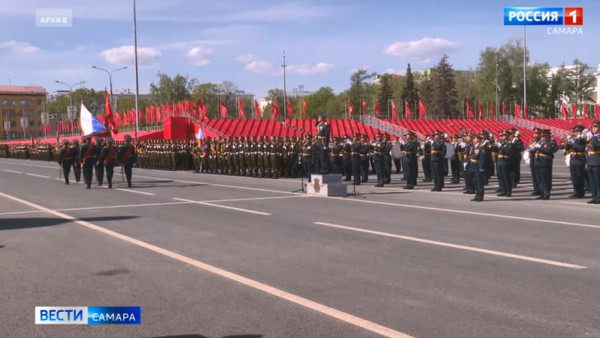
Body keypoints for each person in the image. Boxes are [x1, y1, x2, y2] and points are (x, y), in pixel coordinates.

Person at [533, 129, 558, 200]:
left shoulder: (551, 142)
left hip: (545, 163)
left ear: (548, 136)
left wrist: (540, 147)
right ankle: (542, 193)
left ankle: (546, 194)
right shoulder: (540, 142)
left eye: (543, 136)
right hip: (538, 162)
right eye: (541, 136)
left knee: (546, 179)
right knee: (539, 179)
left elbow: (549, 150)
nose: (542, 138)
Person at [565, 124, 587, 198]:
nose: (576, 132)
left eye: (578, 131)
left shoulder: (583, 139)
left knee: (579, 177)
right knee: (574, 177)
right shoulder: (573, 139)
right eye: (575, 131)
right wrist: (568, 142)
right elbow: (567, 148)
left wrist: (574, 142)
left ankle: (580, 192)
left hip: (580, 159)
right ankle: (576, 191)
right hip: (573, 159)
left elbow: (581, 148)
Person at [469, 133, 487, 202]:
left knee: (479, 182)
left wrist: (481, 167)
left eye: (475, 138)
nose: (473, 139)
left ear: (478, 140)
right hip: (473, 166)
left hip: (477, 166)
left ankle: (480, 196)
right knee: (475, 181)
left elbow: (482, 158)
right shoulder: (474, 146)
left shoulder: (480, 147)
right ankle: (476, 195)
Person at [496, 130, 514, 197]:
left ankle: (508, 191)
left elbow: (508, 151)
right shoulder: (502, 143)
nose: (501, 137)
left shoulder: (509, 143)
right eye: (501, 136)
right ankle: (503, 190)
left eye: (503, 136)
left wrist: (501, 146)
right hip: (500, 160)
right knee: (501, 177)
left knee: (506, 177)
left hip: (505, 161)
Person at [587, 120, 600, 204]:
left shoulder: (596, 137)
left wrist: (594, 137)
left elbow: (598, 146)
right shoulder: (591, 137)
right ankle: (594, 196)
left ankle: (599, 197)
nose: (594, 128)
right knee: (591, 181)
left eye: (596, 127)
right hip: (590, 161)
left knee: (598, 181)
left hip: (597, 161)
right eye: (593, 127)